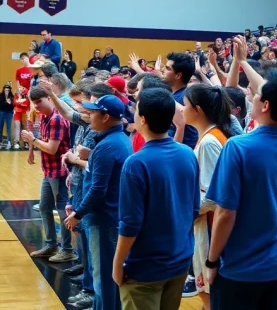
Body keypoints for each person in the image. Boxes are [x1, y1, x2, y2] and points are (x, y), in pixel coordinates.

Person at [204, 70, 277, 310]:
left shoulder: (238, 147)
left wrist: (211, 261)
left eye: (256, 94)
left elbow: (225, 213)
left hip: (243, 265)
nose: (251, 95)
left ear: (266, 105)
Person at [113, 87, 200, 310]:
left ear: (142, 119)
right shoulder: (187, 154)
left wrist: (117, 262)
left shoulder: (136, 163)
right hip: (179, 260)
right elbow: (193, 209)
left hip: (145, 268)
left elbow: (131, 223)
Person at [63, 93, 131, 310]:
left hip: (102, 219)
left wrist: (77, 214)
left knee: (102, 275)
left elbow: (98, 189)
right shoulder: (117, 140)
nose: (88, 116)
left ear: (105, 117)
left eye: (92, 112)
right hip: (111, 216)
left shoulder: (106, 146)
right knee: (107, 272)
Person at [183, 84, 236, 309]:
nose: (181, 110)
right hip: (207, 223)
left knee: (209, 294)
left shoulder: (209, 142)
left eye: (184, 106)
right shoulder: (212, 136)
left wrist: (185, 209)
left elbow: (216, 196)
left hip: (210, 225)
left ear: (197, 110)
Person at [22, 85, 75, 262]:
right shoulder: (45, 117)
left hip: (59, 171)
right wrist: (31, 148)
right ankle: (51, 245)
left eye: (39, 102)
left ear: (50, 99)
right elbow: (41, 140)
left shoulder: (57, 119)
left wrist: (33, 140)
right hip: (49, 170)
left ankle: (67, 249)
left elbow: (52, 149)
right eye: (34, 103)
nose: (36, 106)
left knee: (62, 210)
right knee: (45, 207)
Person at [161, 52, 199, 148]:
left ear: (178, 75)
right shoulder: (183, 94)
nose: (162, 70)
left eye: (167, 68)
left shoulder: (181, 99)